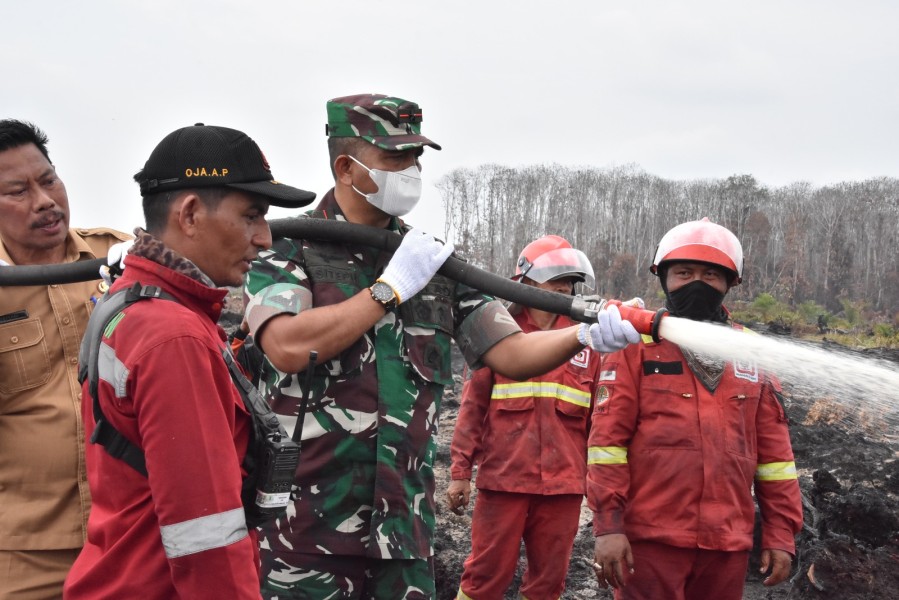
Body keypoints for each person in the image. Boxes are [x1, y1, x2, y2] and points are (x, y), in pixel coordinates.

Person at [242, 93, 640, 599]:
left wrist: (582, 333)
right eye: (395, 158)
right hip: (304, 535)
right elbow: (285, 346)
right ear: (347, 166)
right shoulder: (284, 249)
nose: (411, 170)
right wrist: (388, 290)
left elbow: (513, 354)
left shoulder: (431, 262)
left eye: (416, 158)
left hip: (403, 535)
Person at [63, 123, 316, 598]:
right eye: (251, 215)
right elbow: (207, 541)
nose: (265, 238)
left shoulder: (129, 302)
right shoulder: (174, 336)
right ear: (191, 215)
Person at [587, 218, 803, 600]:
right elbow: (607, 445)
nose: (697, 284)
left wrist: (781, 532)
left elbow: (776, 456)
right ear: (663, 278)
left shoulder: (753, 353)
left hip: (727, 542)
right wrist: (608, 527)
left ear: (729, 283)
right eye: (684, 273)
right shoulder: (635, 343)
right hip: (650, 539)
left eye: (710, 275)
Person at [0, 119, 131, 599]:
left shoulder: (118, 257)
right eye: (17, 191)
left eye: (48, 179)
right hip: (21, 552)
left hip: (127, 533)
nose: (44, 201)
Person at [447, 235, 602, 600]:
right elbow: (472, 410)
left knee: (548, 584)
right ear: (526, 283)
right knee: (484, 577)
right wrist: (459, 474)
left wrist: (601, 491)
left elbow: (600, 422)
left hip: (563, 488)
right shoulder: (499, 335)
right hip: (503, 483)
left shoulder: (587, 340)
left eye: (569, 281)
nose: (565, 288)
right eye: (556, 279)